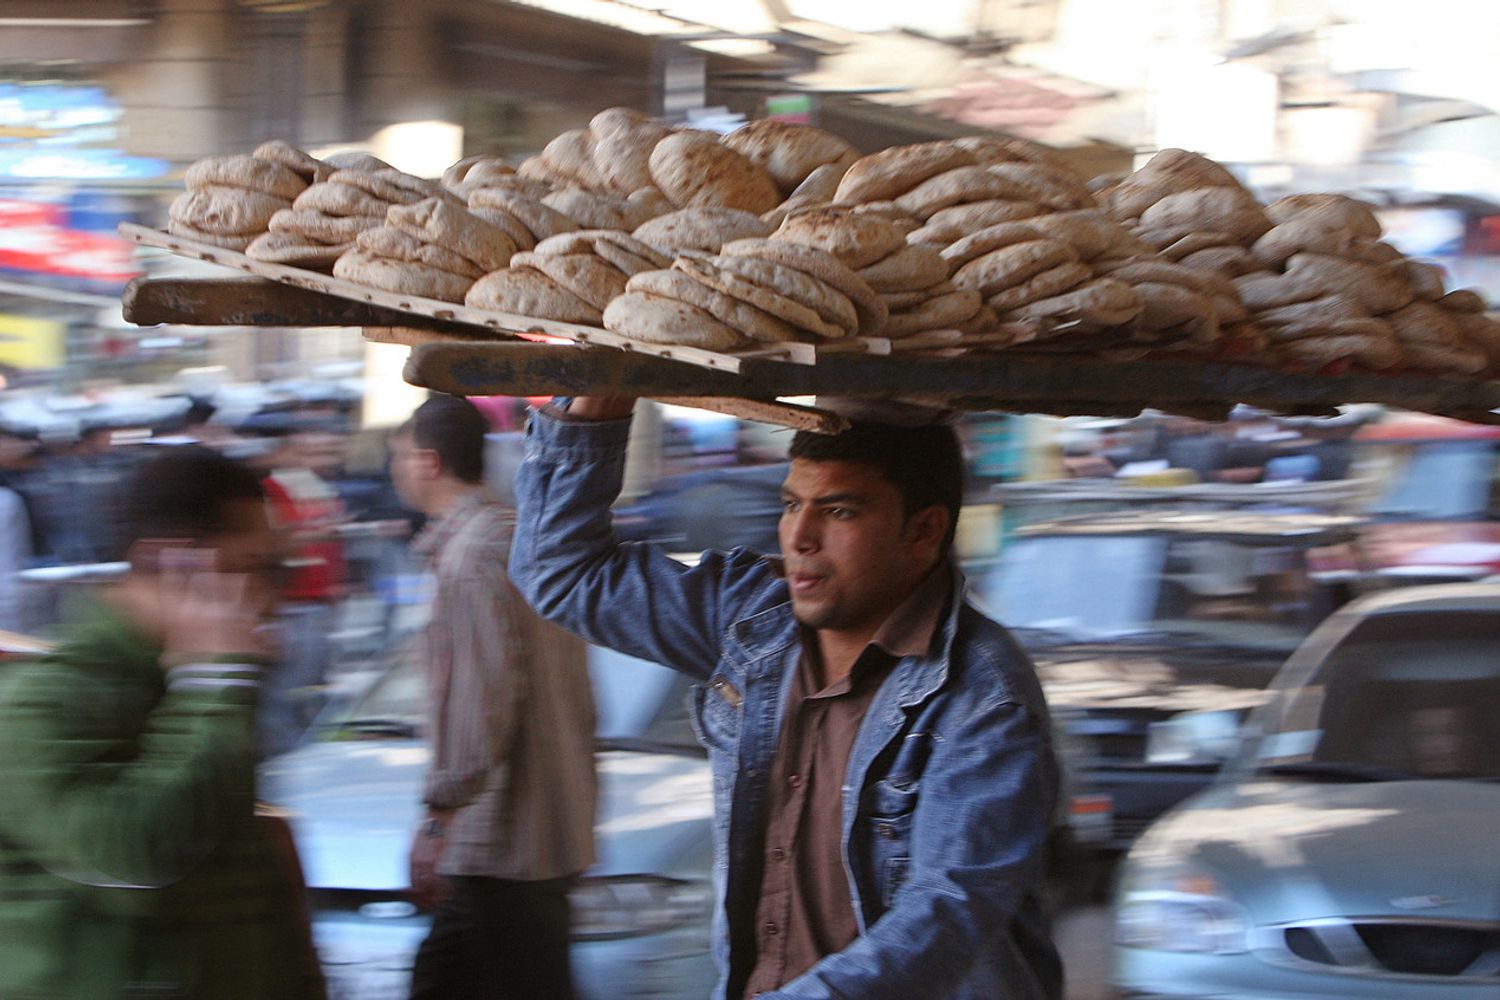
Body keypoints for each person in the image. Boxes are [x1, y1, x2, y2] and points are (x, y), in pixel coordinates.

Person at [510, 396, 1063, 1000]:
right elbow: (559, 573)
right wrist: (597, 409)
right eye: (791, 505)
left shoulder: (982, 696)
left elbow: (946, 911)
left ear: (924, 530)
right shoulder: (756, 620)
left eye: (839, 511)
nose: (799, 537)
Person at [0, 447, 324, 1000]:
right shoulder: (45, 700)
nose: (271, 599)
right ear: (173, 563)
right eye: (252, 568)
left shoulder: (193, 684)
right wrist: (212, 687)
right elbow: (132, 855)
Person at [390, 395, 597, 1000]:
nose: (396, 471)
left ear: (429, 462)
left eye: (400, 457)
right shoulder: (519, 542)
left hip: (501, 843)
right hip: (538, 837)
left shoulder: (472, 557)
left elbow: (481, 702)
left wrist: (439, 817)